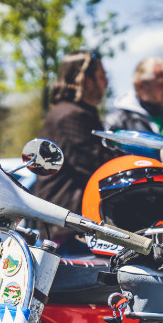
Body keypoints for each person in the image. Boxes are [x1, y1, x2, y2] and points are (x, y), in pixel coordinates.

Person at [32, 50, 115, 252]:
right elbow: (98, 167)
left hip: (71, 223)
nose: (106, 84)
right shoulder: (70, 115)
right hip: (68, 227)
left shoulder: (75, 112)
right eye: (102, 77)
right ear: (86, 80)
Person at [103, 57, 163, 182]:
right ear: (141, 86)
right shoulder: (117, 121)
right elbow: (111, 169)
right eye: (162, 83)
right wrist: (160, 170)